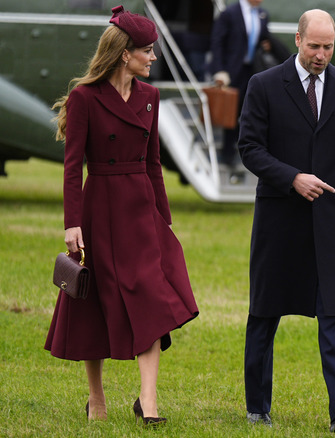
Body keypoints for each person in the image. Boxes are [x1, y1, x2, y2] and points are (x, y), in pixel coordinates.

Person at [45, 5, 199, 426]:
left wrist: (163, 218)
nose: (153, 57)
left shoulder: (151, 97)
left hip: (140, 210)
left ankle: (148, 402)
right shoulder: (84, 98)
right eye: (147, 51)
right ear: (124, 53)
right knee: (92, 301)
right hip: (98, 208)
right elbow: (72, 167)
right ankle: (96, 398)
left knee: (151, 297)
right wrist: (72, 223)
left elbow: (154, 162)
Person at [237, 9, 335, 436]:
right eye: (314, 46)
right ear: (298, 39)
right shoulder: (264, 84)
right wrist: (292, 177)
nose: (321, 54)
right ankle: (257, 407)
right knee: (265, 313)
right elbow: (249, 147)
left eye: (328, 47)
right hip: (279, 218)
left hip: (331, 221)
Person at [209, 0, 290, 169]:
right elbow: (217, 42)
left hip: (253, 71)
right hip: (232, 72)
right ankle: (227, 153)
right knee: (231, 111)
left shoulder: (262, 14)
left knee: (250, 112)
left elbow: (264, 38)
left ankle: (245, 152)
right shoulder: (230, 13)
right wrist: (219, 70)